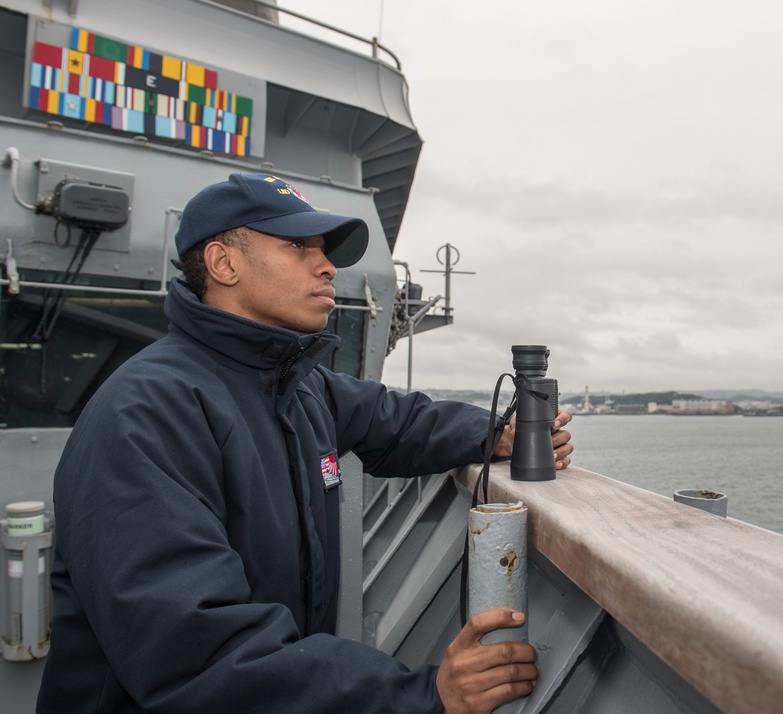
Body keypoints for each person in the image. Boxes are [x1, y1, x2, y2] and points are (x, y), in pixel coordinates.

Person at [36, 173, 573, 714]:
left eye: (322, 249)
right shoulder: (147, 412)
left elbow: (396, 421)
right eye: (298, 246)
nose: (328, 267)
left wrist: (498, 434)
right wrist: (421, 697)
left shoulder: (292, 384)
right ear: (224, 265)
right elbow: (194, 650)